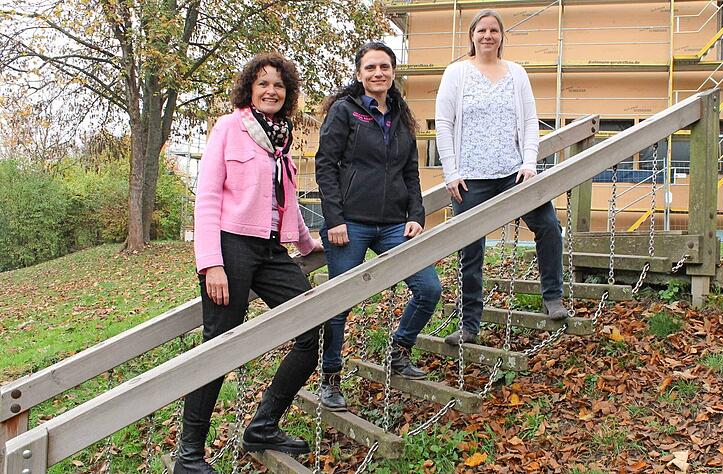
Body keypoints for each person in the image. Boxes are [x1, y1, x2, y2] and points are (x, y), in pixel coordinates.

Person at [179, 52, 327, 474]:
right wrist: (211, 263)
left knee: (311, 325)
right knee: (220, 346)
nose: (271, 91)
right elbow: (206, 196)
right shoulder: (229, 128)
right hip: (231, 249)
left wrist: (306, 242)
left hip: (271, 251)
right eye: (263, 84)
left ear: (288, 94)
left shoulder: (283, 140)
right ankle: (189, 455)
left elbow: (288, 201)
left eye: (279, 85)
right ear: (249, 89)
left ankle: (262, 426)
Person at [314, 42, 442, 411]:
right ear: (359, 74)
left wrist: (417, 215)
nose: (378, 73)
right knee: (339, 302)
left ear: (393, 72)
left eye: (384, 67)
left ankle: (399, 350)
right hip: (349, 224)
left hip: (393, 226)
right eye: (370, 68)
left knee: (428, 287)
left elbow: (410, 172)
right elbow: (326, 166)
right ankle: (330, 377)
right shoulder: (344, 112)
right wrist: (334, 219)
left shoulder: (402, 115)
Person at [434, 9, 567, 346]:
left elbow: (529, 122)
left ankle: (553, 298)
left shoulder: (517, 73)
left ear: (502, 36)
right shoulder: (456, 73)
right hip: (470, 179)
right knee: (470, 252)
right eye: (482, 30)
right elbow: (444, 124)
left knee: (548, 226)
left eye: (494, 30)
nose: (488, 36)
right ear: (472, 36)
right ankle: (469, 326)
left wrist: (529, 162)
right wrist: (451, 171)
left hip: (513, 173)